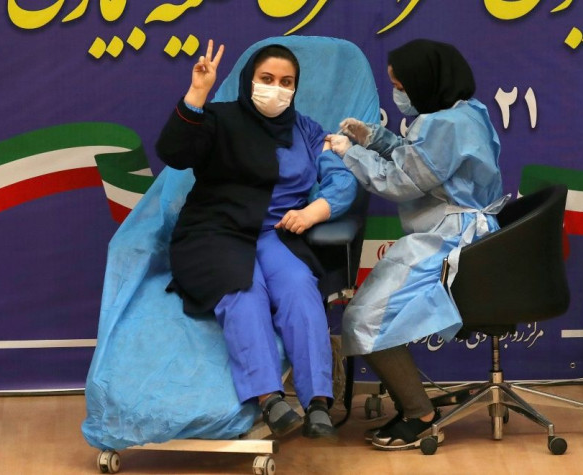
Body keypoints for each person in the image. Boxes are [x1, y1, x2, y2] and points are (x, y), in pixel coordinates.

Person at [155, 39, 358, 439]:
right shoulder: (218, 118)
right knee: (244, 290)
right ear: (250, 80)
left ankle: (317, 400)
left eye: (287, 81)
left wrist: (315, 210)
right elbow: (173, 151)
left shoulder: (306, 130)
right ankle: (269, 398)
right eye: (267, 79)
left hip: (274, 233)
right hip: (214, 230)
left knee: (300, 288)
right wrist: (198, 92)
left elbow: (341, 179)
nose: (277, 88)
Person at [327, 38, 508, 450]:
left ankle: (419, 414)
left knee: (362, 319)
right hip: (458, 231)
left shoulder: (443, 124)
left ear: (424, 81)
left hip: (448, 240)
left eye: (401, 85)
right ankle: (413, 404)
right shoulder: (464, 113)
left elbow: (402, 180)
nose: (399, 93)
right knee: (369, 316)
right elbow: (424, 161)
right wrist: (375, 139)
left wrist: (350, 153)